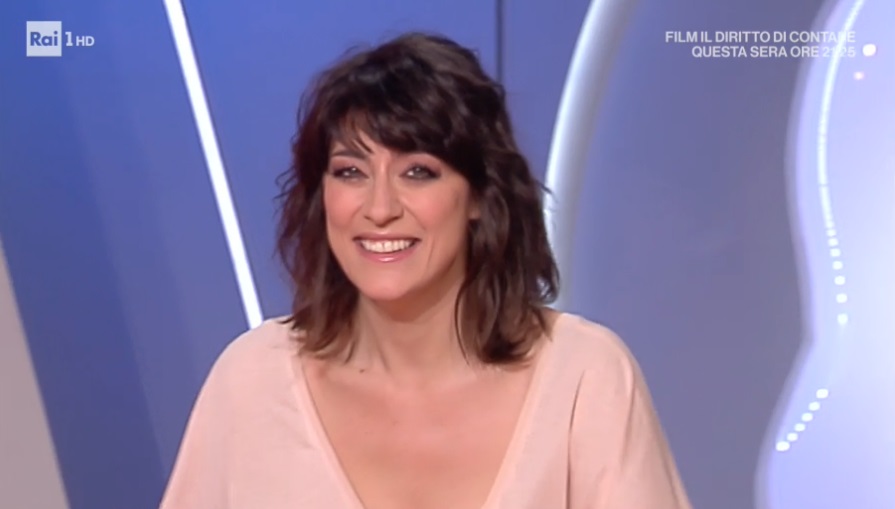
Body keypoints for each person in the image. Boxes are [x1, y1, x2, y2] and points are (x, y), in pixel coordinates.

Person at [159, 32, 691, 509]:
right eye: (350, 172)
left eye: (417, 172)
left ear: (480, 195)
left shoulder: (584, 378)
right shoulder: (252, 382)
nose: (379, 208)